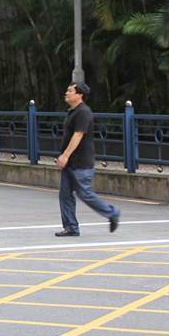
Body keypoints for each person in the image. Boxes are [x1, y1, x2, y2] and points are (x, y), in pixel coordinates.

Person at [55, 82, 119, 237]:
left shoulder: (84, 112)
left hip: (81, 163)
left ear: (79, 95)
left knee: (84, 193)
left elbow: (78, 135)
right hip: (70, 163)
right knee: (65, 194)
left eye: (70, 91)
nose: (67, 93)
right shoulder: (72, 111)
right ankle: (71, 227)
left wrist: (65, 155)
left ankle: (112, 212)